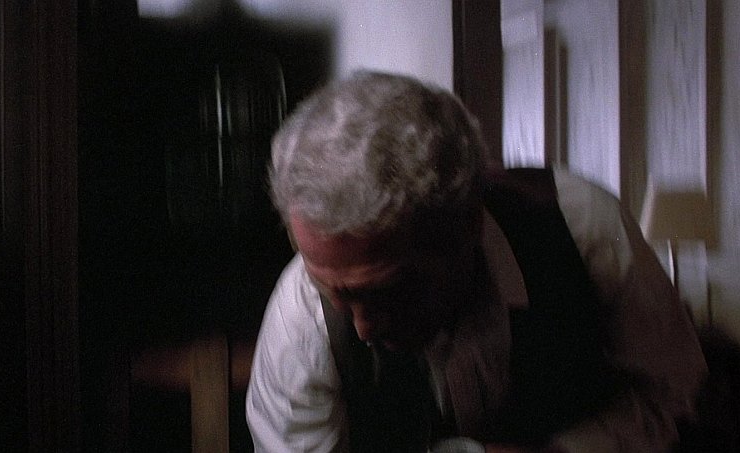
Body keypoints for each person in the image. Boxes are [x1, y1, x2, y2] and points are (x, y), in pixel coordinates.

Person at [246, 70, 707, 453]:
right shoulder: (301, 320)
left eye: (387, 292)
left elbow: (673, 394)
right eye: (330, 289)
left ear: (467, 224)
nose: (364, 329)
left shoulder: (583, 228)